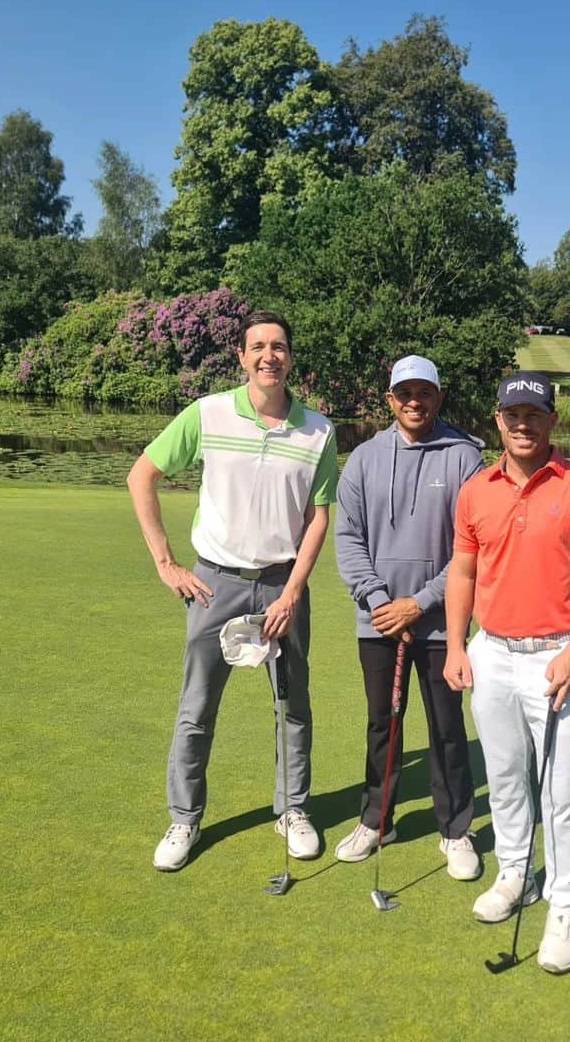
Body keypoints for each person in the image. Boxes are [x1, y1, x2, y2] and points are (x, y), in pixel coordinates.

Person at [127, 309, 337, 873]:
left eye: (279, 346)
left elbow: (318, 518)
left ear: (291, 357)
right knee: (197, 709)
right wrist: (166, 562)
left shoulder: (318, 430)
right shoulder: (209, 414)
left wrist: (294, 590)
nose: (269, 355)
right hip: (214, 585)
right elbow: (141, 474)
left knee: (293, 706)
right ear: (242, 357)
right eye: (258, 346)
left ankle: (293, 811)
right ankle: (184, 819)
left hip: (282, 587)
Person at [444, 371, 570, 975]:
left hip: (556, 655)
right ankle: (515, 875)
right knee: (506, 776)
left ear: (552, 422)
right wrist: (457, 646)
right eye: (513, 414)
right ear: (498, 419)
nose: (524, 424)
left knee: (564, 791)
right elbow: (463, 573)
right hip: (490, 650)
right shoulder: (476, 491)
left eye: (535, 415)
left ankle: (566, 905)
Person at [334, 355, 484, 880]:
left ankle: (456, 829)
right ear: (390, 399)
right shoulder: (363, 459)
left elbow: (473, 549)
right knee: (383, 722)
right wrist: (379, 601)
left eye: (424, 393)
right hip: (378, 621)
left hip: (443, 620)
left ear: (438, 398)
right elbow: (348, 538)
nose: (414, 402)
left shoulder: (465, 458)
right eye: (405, 393)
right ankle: (378, 819)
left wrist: (419, 601)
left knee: (447, 726)